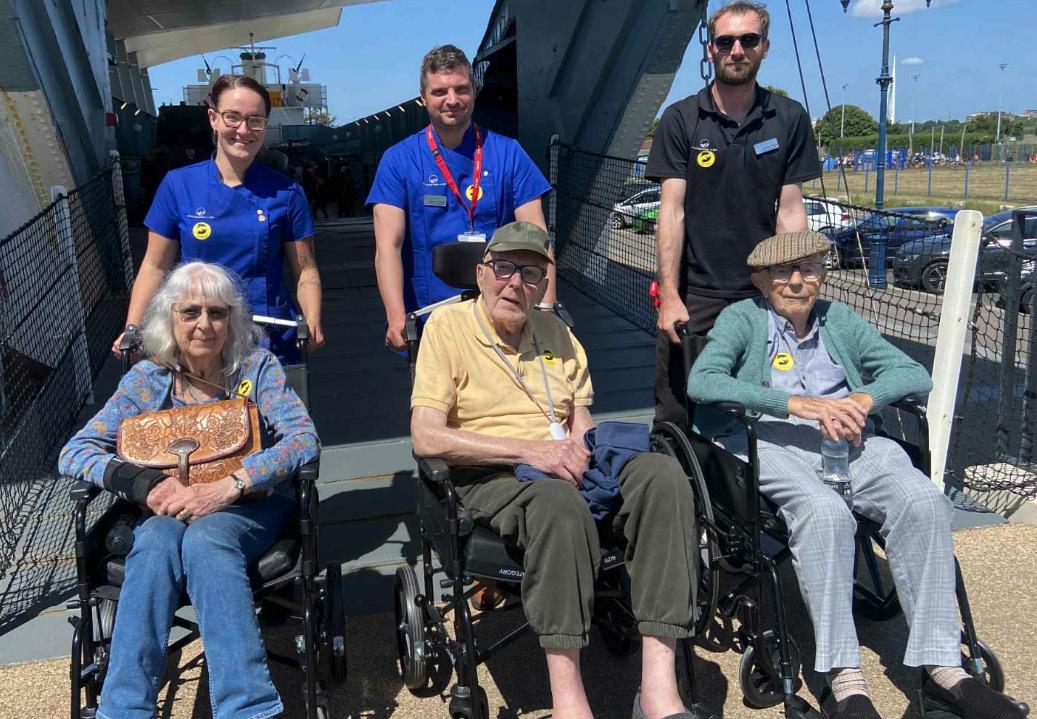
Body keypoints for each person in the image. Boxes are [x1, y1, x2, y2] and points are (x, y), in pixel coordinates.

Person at [687, 231, 1026, 719]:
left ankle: (943, 670)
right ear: (761, 281)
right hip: (769, 440)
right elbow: (703, 382)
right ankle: (844, 680)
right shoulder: (743, 318)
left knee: (925, 501)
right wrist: (795, 403)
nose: (797, 281)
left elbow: (914, 374)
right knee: (824, 513)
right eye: (782, 272)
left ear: (822, 275)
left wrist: (863, 398)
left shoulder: (839, 319)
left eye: (808, 269)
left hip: (848, 440)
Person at [411, 221, 703, 719]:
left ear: (543, 283)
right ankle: (569, 701)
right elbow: (426, 437)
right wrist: (531, 452)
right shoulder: (447, 328)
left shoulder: (558, 332)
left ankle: (658, 691)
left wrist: (583, 455)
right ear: (481, 273)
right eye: (504, 268)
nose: (515, 283)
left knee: (664, 478)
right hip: (491, 474)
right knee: (558, 506)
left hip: (562, 464)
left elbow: (578, 419)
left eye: (530, 273)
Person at [61, 261, 319, 719]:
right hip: (166, 512)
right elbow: (75, 451)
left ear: (232, 321)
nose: (204, 324)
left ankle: (247, 708)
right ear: (170, 318)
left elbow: (303, 439)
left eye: (217, 313)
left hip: (249, 506)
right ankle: (122, 710)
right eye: (191, 312)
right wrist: (145, 483)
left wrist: (229, 485)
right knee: (155, 541)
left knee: (207, 538)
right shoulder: (147, 380)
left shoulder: (257, 368)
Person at [647, 1, 820, 428]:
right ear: (710, 49)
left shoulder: (789, 118)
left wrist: (793, 284)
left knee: (761, 401)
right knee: (678, 407)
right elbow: (671, 211)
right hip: (695, 293)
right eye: (725, 41)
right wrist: (670, 295)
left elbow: (790, 210)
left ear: (765, 47)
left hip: (761, 289)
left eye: (748, 40)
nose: (736, 50)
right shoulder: (681, 119)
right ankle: (674, 465)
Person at [114, 74, 324, 364]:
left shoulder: (287, 193)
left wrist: (312, 320)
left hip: (268, 338)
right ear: (213, 118)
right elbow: (154, 266)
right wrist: (133, 328)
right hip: (198, 336)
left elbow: (305, 269)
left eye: (255, 120)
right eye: (232, 117)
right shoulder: (179, 185)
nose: (243, 129)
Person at [368, 44, 554, 352]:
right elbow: (388, 246)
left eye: (461, 89)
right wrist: (395, 314)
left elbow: (537, 238)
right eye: (440, 92)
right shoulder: (398, 160)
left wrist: (546, 310)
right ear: (423, 96)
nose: (452, 100)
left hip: (502, 313)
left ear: (474, 91)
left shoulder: (509, 154)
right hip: (429, 315)